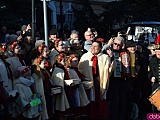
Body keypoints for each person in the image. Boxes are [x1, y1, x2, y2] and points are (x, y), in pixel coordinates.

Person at [78, 41, 114, 120]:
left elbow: (108, 71)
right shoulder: (85, 56)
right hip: (88, 82)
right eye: (92, 46)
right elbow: (80, 69)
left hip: (99, 81)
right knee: (89, 101)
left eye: (95, 46)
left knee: (99, 100)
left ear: (100, 48)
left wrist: (110, 67)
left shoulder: (104, 57)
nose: (93, 48)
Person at [32, 55, 53, 120]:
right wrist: (37, 99)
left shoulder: (45, 72)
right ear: (38, 64)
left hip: (46, 94)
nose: (46, 65)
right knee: (39, 111)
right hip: (39, 95)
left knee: (47, 110)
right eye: (44, 63)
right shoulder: (36, 75)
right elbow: (35, 88)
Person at [148, 44, 160, 112]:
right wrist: (151, 78)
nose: (158, 53)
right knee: (155, 108)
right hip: (156, 86)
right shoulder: (152, 60)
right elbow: (149, 73)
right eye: (157, 51)